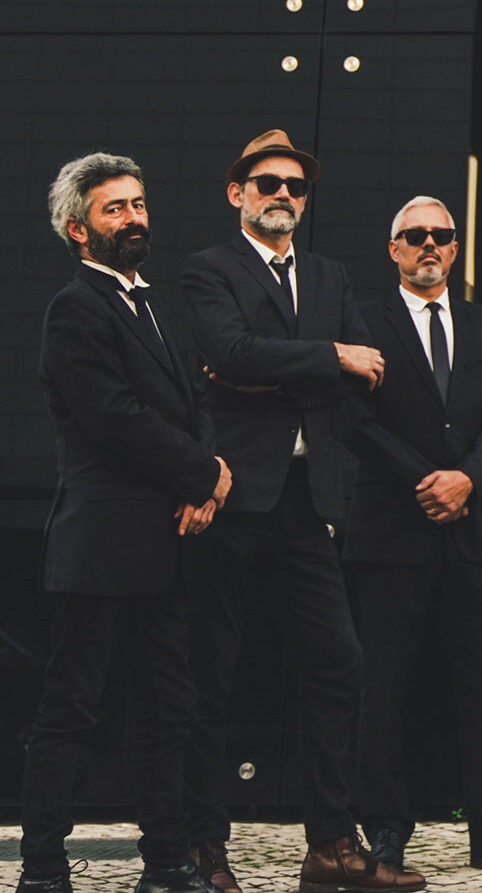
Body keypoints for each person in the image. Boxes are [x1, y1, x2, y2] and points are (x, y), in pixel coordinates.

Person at [178, 130, 422, 893]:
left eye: (296, 186)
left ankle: (331, 845)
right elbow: (228, 351)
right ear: (238, 193)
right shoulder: (207, 269)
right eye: (268, 182)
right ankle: (202, 845)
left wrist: (270, 367)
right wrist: (326, 357)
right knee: (210, 673)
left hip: (306, 500)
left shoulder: (327, 275)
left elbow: (364, 370)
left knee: (339, 660)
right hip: (227, 496)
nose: (284, 194)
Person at [20, 152, 232, 893]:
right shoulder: (75, 308)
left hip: (168, 545)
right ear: (79, 229)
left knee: (169, 709)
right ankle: (43, 867)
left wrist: (206, 479)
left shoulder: (157, 304)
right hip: (99, 548)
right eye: (115, 208)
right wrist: (202, 473)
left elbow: (196, 400)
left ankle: (165, 862)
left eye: (139, 203)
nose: (135, 217)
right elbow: (114, 416)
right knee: (71, 710)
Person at [340, 196, 482, 877]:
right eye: (415, 235)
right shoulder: (363, 323)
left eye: (441, 234)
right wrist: (427, 481)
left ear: (456, 248)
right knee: (385, 689)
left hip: (473, 534)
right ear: (394, 249)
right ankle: (385, 830)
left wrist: (466, 478)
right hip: (391, 535)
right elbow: (355, 421)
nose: (429, 244)